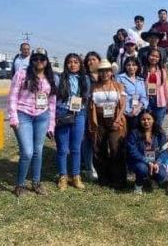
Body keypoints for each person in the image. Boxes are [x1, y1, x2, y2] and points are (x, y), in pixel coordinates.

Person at [7, 48, 57, 197]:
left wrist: (51, 124)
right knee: (27, 152)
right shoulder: (22, 74)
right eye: (35, 59)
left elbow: (52, 102)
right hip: (24, 115)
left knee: (38, 151)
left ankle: (36, 182)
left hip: (42, 116)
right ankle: (20, 184)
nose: (39, 61)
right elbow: (12, 97)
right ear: (31, 60)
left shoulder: (50, 77)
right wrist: (13, 117)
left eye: (42, 59)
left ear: (46, 61)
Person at [88, 59, 127, 188]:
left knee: (116, 148)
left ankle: (119, 178)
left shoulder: (118, 86)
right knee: (99, 149)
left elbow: (123, 104)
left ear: (111, 72)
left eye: (107, 71)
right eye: (102, 71)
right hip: (99, 120)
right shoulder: (94, 87)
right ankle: (103, 177)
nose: (104, 73)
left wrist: (118, 119)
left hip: (115, 120)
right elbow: (91, 105)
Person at [54, 53, 89, 191]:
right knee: (62, 148)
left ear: (80, 64)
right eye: (70, 62)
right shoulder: (60, 78)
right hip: (63, 113)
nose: (73, 64)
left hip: (79, 114)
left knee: (76, 148)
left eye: (76, 62)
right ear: (66, 64)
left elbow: (87, 96)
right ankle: (63, 176)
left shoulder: (84, 79)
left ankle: (76, 176)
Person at [127, 110, 168, 195]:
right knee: (143, 169)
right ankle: (138, 186)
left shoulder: (160, 133)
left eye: (149, 119)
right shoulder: (134, 133)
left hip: (155, 160)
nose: (146, 122)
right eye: (143, 119)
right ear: (139, 120)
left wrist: (157, 163)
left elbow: (164, 151)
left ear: (153, 120)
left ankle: (151, 179)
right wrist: (147, 161)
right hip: (139, 161)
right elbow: (132, 151)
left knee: (162, 176)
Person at [82, 51, 101, 180]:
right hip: (86, 112)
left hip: (102, 113)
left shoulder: (106, 76)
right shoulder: (84, 77)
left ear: (99, 61)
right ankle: (89, 167)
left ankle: (101, 165)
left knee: (100, 139)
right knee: (87, 140)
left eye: (93, 59)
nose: (91, 62)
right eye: (89, 60)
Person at [142, 48, 168, 127]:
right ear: (148, 56)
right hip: (147, 102)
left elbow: (166, 89)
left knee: (158, 126)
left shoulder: (162, 71)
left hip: (160, 102)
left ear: (160, 59)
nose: (154, 58)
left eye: (157, 56)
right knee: (147, 126)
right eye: (152, 55)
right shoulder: (142, 70)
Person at [116, 56, 148, 131]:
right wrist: (127, 111)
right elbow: (119, 96)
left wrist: (138, 107)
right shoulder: (120, 78)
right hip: (124, 112)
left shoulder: (140, 80)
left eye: (134, 65)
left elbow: (144, 97)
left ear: (137, 66)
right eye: (128, 65)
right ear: (125, 66)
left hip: (138, 112)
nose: (131, 67)